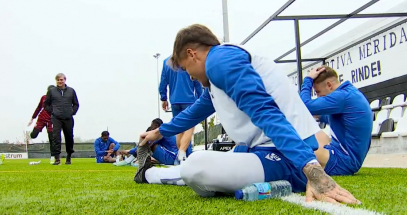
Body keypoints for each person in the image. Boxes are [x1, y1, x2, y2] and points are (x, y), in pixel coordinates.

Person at [135, 24, 360, 205]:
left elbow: (265, 111)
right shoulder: (217, 72)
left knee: (196, 166)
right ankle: (149, 174)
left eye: (186, 69)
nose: (190, 77)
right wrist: (160, 132)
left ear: (192, 54)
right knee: (206, 165)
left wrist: (312, 170)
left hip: (284, 155)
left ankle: (149, 175)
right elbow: (195, 113)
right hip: (268, 152)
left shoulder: (219, 61)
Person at [299, 66, 373, 176]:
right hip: (343, 155)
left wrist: (308, 80)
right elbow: (326, 117)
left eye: (318, 92)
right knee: (308, 129)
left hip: (344, 161)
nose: (318, 96)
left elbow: (304, 106)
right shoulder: (349, 93)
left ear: (329, 85)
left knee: (295, 147)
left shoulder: (342, 96)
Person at [159, 55, 202, 164]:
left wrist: (163, 98)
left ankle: (181, 158)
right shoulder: (188, 59)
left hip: (174, 101)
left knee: (179, 130)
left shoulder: (166, 62)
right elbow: (197, 81)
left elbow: (163, 82)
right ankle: (183, 154)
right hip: (188, 99)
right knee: (189, 128)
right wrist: (201, 97)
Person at [116, 118, 192, 166]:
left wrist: (129, 151)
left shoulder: (161, 133)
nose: (151, 127)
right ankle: (132, 160)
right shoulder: (166, 131)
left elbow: (147, 144)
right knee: (149, 144)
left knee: (150, 145)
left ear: (156, 125)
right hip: (177, 158)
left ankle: (130, 161)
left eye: (152, 125)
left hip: (173, 158)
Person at [44, 73, 79, 165]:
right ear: (56, 81)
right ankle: (57, 159)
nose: (60, 81)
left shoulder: (71, 91)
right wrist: (52, 112)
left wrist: (72, 112)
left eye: (61, 80)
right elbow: (46, 104)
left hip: (68, 118)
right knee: (56, 137)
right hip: (56, 118)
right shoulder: (52, 91)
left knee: (69, 137)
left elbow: (76, 104)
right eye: (58, 80)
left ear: (65, 80)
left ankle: (69, 157)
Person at [28, 85, 56, 164]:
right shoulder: (44, 98)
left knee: (52, 139)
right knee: (33, 135)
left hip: (51, 120)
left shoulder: (56, 99)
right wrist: (32, 118)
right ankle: (35, 131)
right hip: (42, 119)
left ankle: (53, 156)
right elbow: (38, 108)